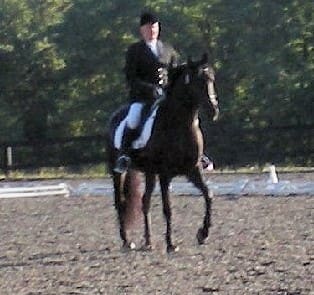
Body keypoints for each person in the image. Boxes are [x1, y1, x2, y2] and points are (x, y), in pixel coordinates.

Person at [114, 11, 178, 173]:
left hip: (166, 98)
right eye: (149, 28)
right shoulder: (135, 51)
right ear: (142, 30)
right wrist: (150, 88)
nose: (152, 31)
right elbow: (131, 78)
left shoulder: (168, 50)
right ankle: (125, 155)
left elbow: (176, 73)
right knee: (133, 120)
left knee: (188, 117)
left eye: (154, 27)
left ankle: (198, 154)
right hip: (143, 98)